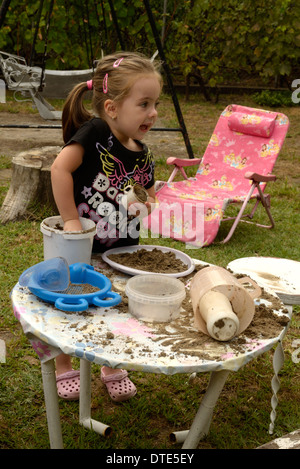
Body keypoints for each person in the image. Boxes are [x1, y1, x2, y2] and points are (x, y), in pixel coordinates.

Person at [51, 51, 163, 402]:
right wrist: (71, 218)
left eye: (155, 104)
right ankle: (63, 365)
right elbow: (60, 168)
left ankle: (110, 364)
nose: (153, 113)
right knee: (68, 304)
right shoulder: (95, 132)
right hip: (79, 245)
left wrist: (148, 205)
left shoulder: (142, 152)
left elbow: (148, 194)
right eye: (144, 104)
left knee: (114, 306)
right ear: (113, 108)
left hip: (120, 249)